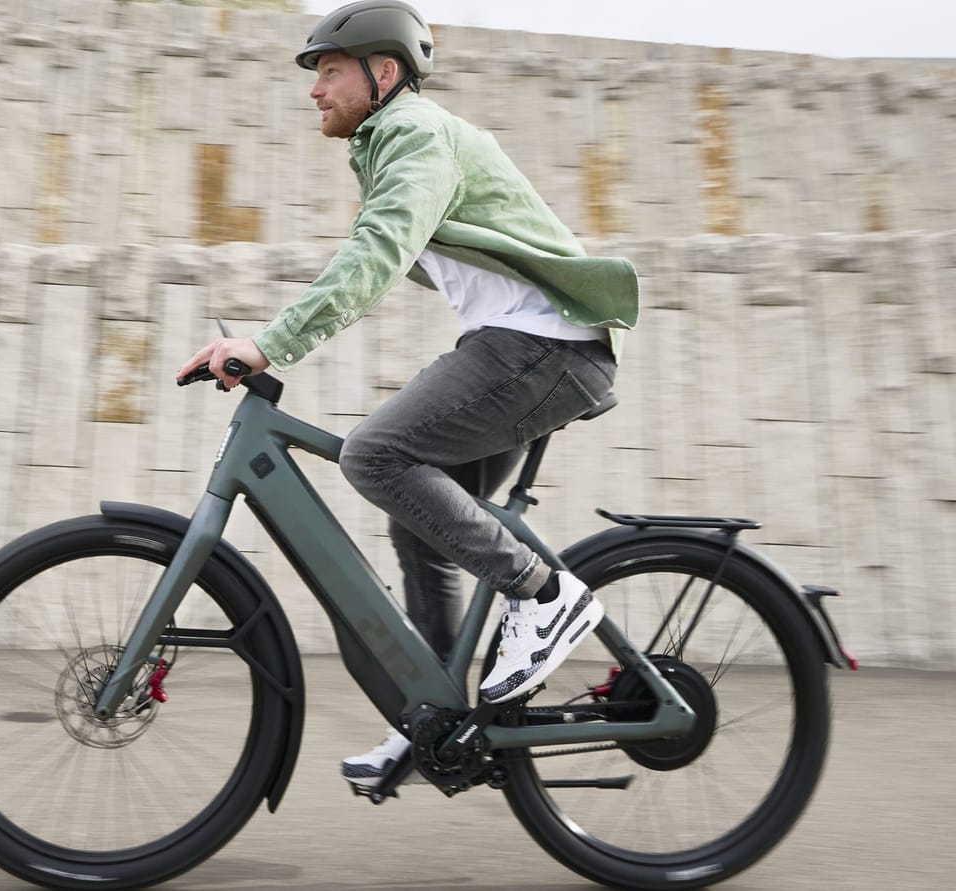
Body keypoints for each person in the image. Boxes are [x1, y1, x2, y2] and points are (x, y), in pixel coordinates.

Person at [177, 0, 639, 788]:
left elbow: (377, 252)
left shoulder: (415, 134)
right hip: (522, 345)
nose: (315, 90)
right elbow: (379, 252)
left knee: (376, 454)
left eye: (328, 71)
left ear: (382, 73)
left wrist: (269, 342)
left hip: (544, 346)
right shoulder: (397, 143)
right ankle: (436, 720)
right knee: (421, 529)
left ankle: (545, 593)